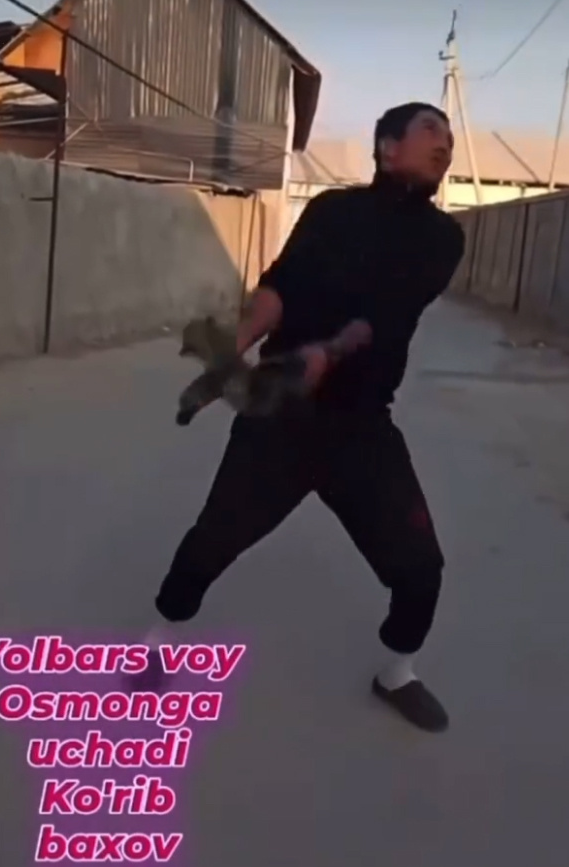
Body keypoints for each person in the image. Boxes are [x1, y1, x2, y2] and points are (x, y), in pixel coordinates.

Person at [145, 102, 465, 733]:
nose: (446, 144)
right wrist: (232, 350)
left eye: (449, 136)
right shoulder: (330, 211)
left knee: (420, 567)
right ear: (387, 147)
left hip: (363, 427)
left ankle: (397, 673)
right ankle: (158, 642)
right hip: (279, 412)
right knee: (213, 538)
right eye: (431, 129)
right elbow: (280, 287)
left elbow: (387, 312)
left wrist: (328, 352)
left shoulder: (441, 238)